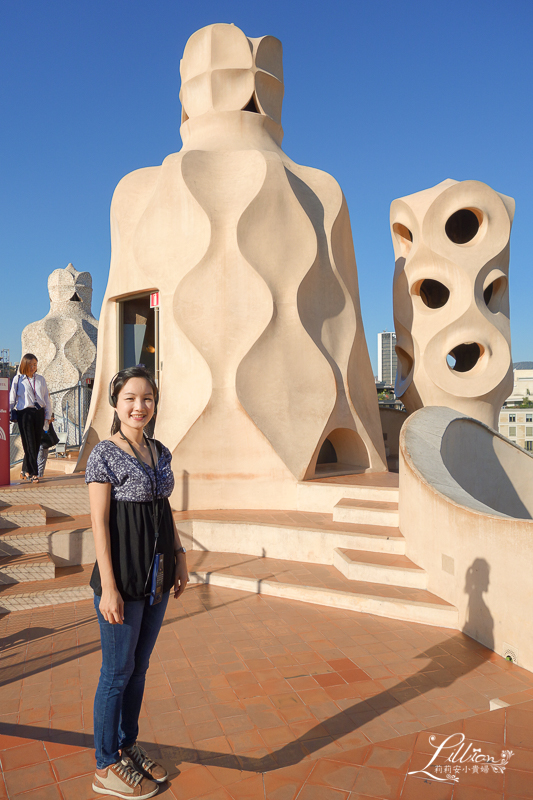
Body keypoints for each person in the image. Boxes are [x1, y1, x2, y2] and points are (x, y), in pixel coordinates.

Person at [86, 366, 189, 799]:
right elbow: (99, 522)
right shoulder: (104, 454)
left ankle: (128, 745)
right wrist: (108, 586)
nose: (139, 406)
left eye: (147, 398)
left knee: (139, 668)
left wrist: (181, 557)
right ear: (115, 403)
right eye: (130, 398)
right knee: (116, 672)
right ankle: (106, 764)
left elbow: (164, 511)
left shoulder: (160, 451)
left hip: (157, 579)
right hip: (121, 581)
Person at [9, 354, 52, 483]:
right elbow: (12, 399)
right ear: (24, 365)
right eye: (30, 365)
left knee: (36, 443)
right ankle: (34, 473)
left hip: (39, 412)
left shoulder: (40, 379)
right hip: (25, 413)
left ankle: (26, 469)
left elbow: (46, 400)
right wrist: (6, 413)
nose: (33, 367)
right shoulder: (18, 379)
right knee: (28, 443)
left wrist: (48, 416)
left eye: (35, 364)